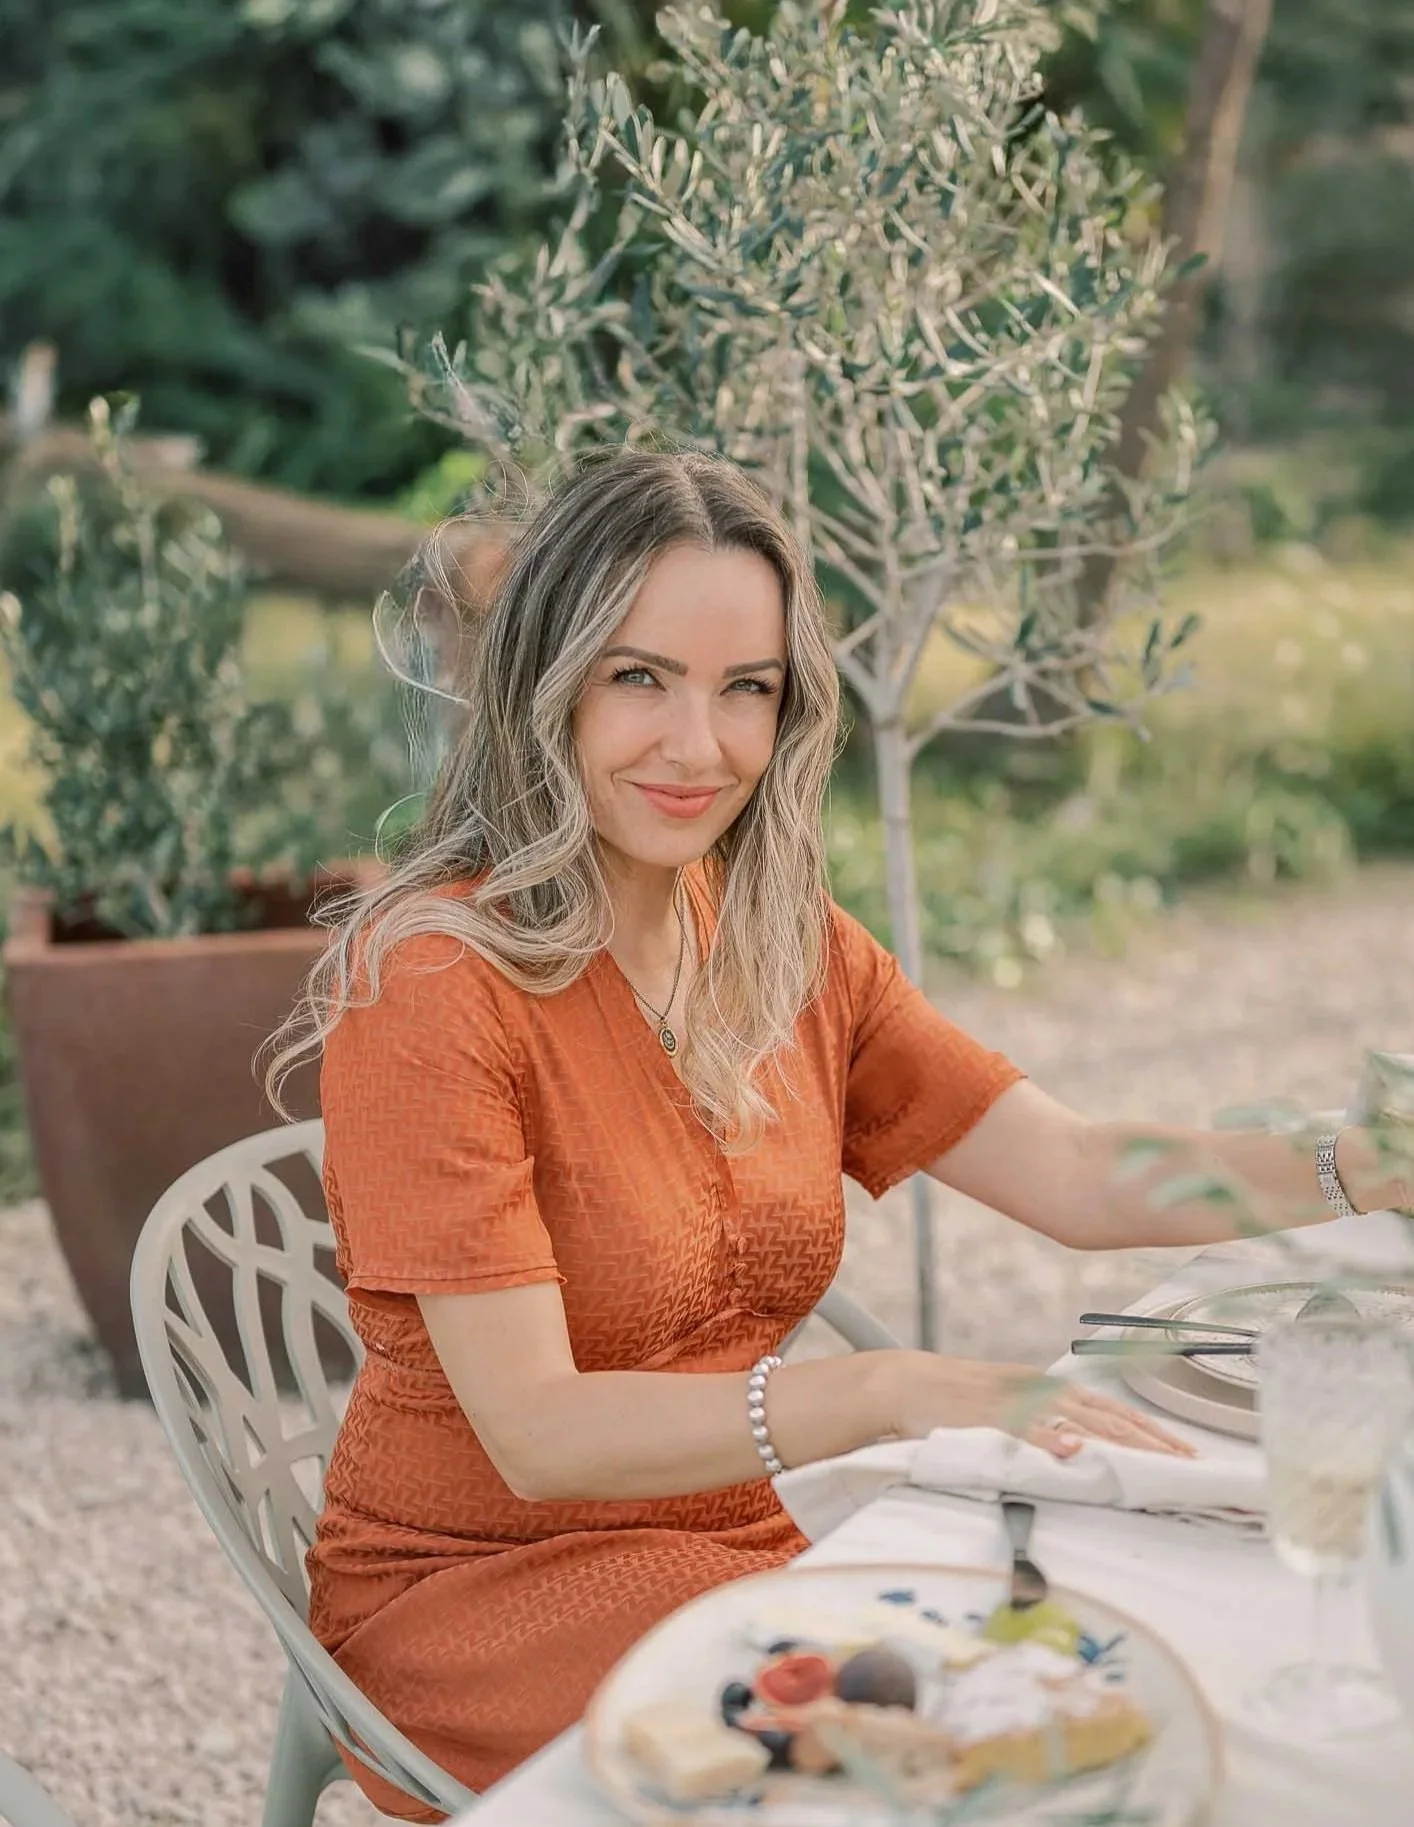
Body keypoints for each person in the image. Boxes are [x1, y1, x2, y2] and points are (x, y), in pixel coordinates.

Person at [265, 448, 1409, 1819]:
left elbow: (1076, 1166)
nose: (700, 747)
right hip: (484, 1585)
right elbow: (540, 1435)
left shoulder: (774, 938)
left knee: (1082, 1681)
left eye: (743, 688)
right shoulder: (437, 983)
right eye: (639, 678)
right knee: (963, 1736)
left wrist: (1362, 1156)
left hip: (740, 1530)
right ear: (541, 681)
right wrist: (884, 1390)